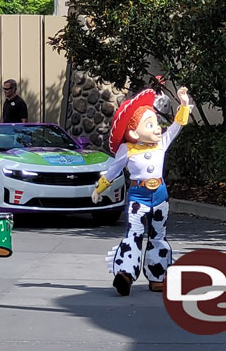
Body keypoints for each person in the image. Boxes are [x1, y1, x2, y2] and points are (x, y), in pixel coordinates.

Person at [92, 86, 190, 296]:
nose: (157, 129)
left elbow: (177, 125)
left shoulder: (161, 144)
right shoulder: (126, 150)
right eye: (150, 125)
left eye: (155, 123)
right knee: (134, 234)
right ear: (134, 132)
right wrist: (99, 188)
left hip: (160, 196)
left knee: (158, 235)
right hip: (138, 198)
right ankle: (125, 274)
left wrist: (183, 104)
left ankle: (158, 275)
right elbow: (113, 171)